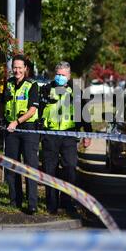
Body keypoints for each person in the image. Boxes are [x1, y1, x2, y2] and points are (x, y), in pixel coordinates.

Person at [40, 61, 92, 215]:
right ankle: (52, 204)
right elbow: (38, 111)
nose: (60, 77)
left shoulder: (76, 92)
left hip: (68, 136)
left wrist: (87, 134)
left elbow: (84, 114)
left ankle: (67, 201)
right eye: (58, 74)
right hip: (50, 135)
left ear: (69, 76)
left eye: (63, 75)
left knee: (70, 167)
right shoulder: (46, 90)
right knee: (50, 169)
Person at [0, 54, 40, 214]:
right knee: (11, 166)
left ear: (25, 69)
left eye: (20, 67)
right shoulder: (7, 84)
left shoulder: (32, 85)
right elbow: (1, 103)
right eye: (14, 67)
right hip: (11, 129)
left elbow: (32, 110)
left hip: (27, 128)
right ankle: (15, 201)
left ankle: (32, 203)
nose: (17, 70)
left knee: (30, 166)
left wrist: (17, 122)